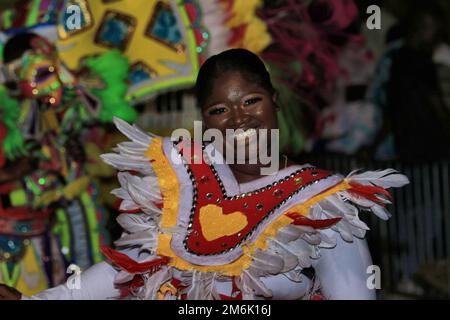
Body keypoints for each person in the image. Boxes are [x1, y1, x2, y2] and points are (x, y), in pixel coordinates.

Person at [0, 49, 408, 300]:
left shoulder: (320, 200)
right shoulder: (183, 181)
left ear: (275, 102)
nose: (239, 119)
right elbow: (126, 267)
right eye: (219, 109)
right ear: (205, 119)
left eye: (251, 100)